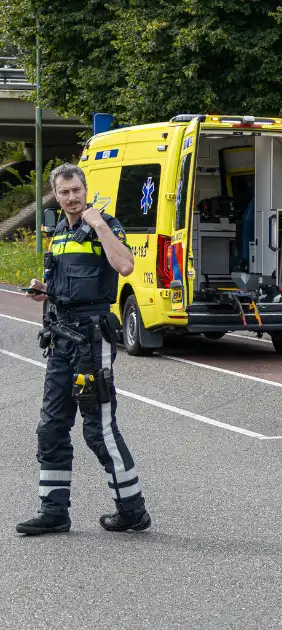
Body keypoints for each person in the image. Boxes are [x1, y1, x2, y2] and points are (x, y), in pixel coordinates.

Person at [18, 163, 150, 536]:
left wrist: (100, 224)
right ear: (56, 196)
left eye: (76, 190)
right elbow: (62, 284)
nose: (71, 198)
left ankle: (133, 511)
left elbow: (124, 265)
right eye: (64, 192)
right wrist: (43, 290)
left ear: (85, 190)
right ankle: (54, 512)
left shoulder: (103, 224)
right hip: (60, 339)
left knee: (98, 429)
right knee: (51, 427)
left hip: (93, 340)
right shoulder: (58, 232)